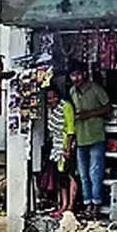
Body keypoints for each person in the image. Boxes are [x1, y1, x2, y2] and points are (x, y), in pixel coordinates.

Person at [69, 65, 111, 220]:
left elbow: (108, 107)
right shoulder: (72, 92)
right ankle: (88, 204)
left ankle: (97, 204)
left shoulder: (95, 89)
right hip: (80, 138)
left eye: (78, 74)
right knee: (83, 174)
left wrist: (90, 114)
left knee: (95, 172)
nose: (76, 79)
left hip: (95, 136)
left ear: (84, 74)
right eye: (73, 76)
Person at [46, 88, 79, 219]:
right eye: (49, 98)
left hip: (66, 146)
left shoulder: (66, 107)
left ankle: (70, 206)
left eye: (54, 97)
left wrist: (68, 149)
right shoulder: (51, 110)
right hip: (57, 147)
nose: (52, 100)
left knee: (70, 176)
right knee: (61, 178)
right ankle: (63, 205)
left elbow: (70, 129)